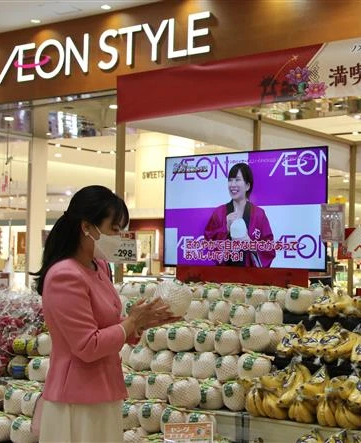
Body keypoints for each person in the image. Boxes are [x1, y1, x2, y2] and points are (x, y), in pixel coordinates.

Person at [31, 185, 177, 443]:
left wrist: (143, 321)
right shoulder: (65, 275)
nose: (119, 236)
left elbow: (109, 326)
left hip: (104, 391)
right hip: (76, 401)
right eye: (114, 228)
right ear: (87, 227)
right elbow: (87, 345)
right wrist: (131, 321)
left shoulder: (99, 266)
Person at [204, 163, 275, 267]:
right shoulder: (219, 213)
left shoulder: (259, 214)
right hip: (223, 278)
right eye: (230, 180)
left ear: (247, 185)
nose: (232, 184)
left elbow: (269, 249)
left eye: (237, 180)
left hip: (251, 279)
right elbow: (208, 243)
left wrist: (250, 244)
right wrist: (226, 229)